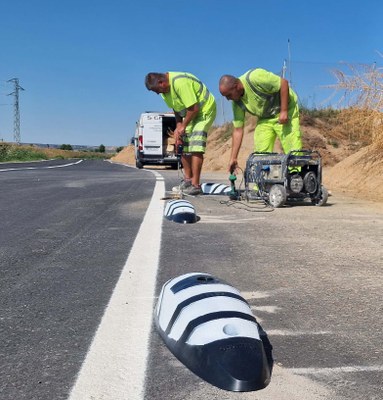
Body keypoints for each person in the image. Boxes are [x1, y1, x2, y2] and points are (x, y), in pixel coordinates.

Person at [145, 72, 216, 195]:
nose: (157, 93)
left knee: (195, 146)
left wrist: (183, 125)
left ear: (161, 83)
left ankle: (196, 185)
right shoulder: (164, 92)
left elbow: (194, 108)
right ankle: (188, 180)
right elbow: (177, 109)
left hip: (203, 111)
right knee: (182, 143)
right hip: (190, 114)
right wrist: (178, 126)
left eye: (157, 90)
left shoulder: (180, 83)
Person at [219, 68, 302, 173]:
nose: (228, 99)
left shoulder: (255, 77)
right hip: (265, 117)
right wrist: (233, 158)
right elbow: (238, 130)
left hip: (285, 110)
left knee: (292, 148)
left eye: (228, 95)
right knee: (260, 155)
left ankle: (296, 181)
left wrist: (284, 111)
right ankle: (261, 186)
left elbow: (283, 83)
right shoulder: (237, 103)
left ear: (237, 86)